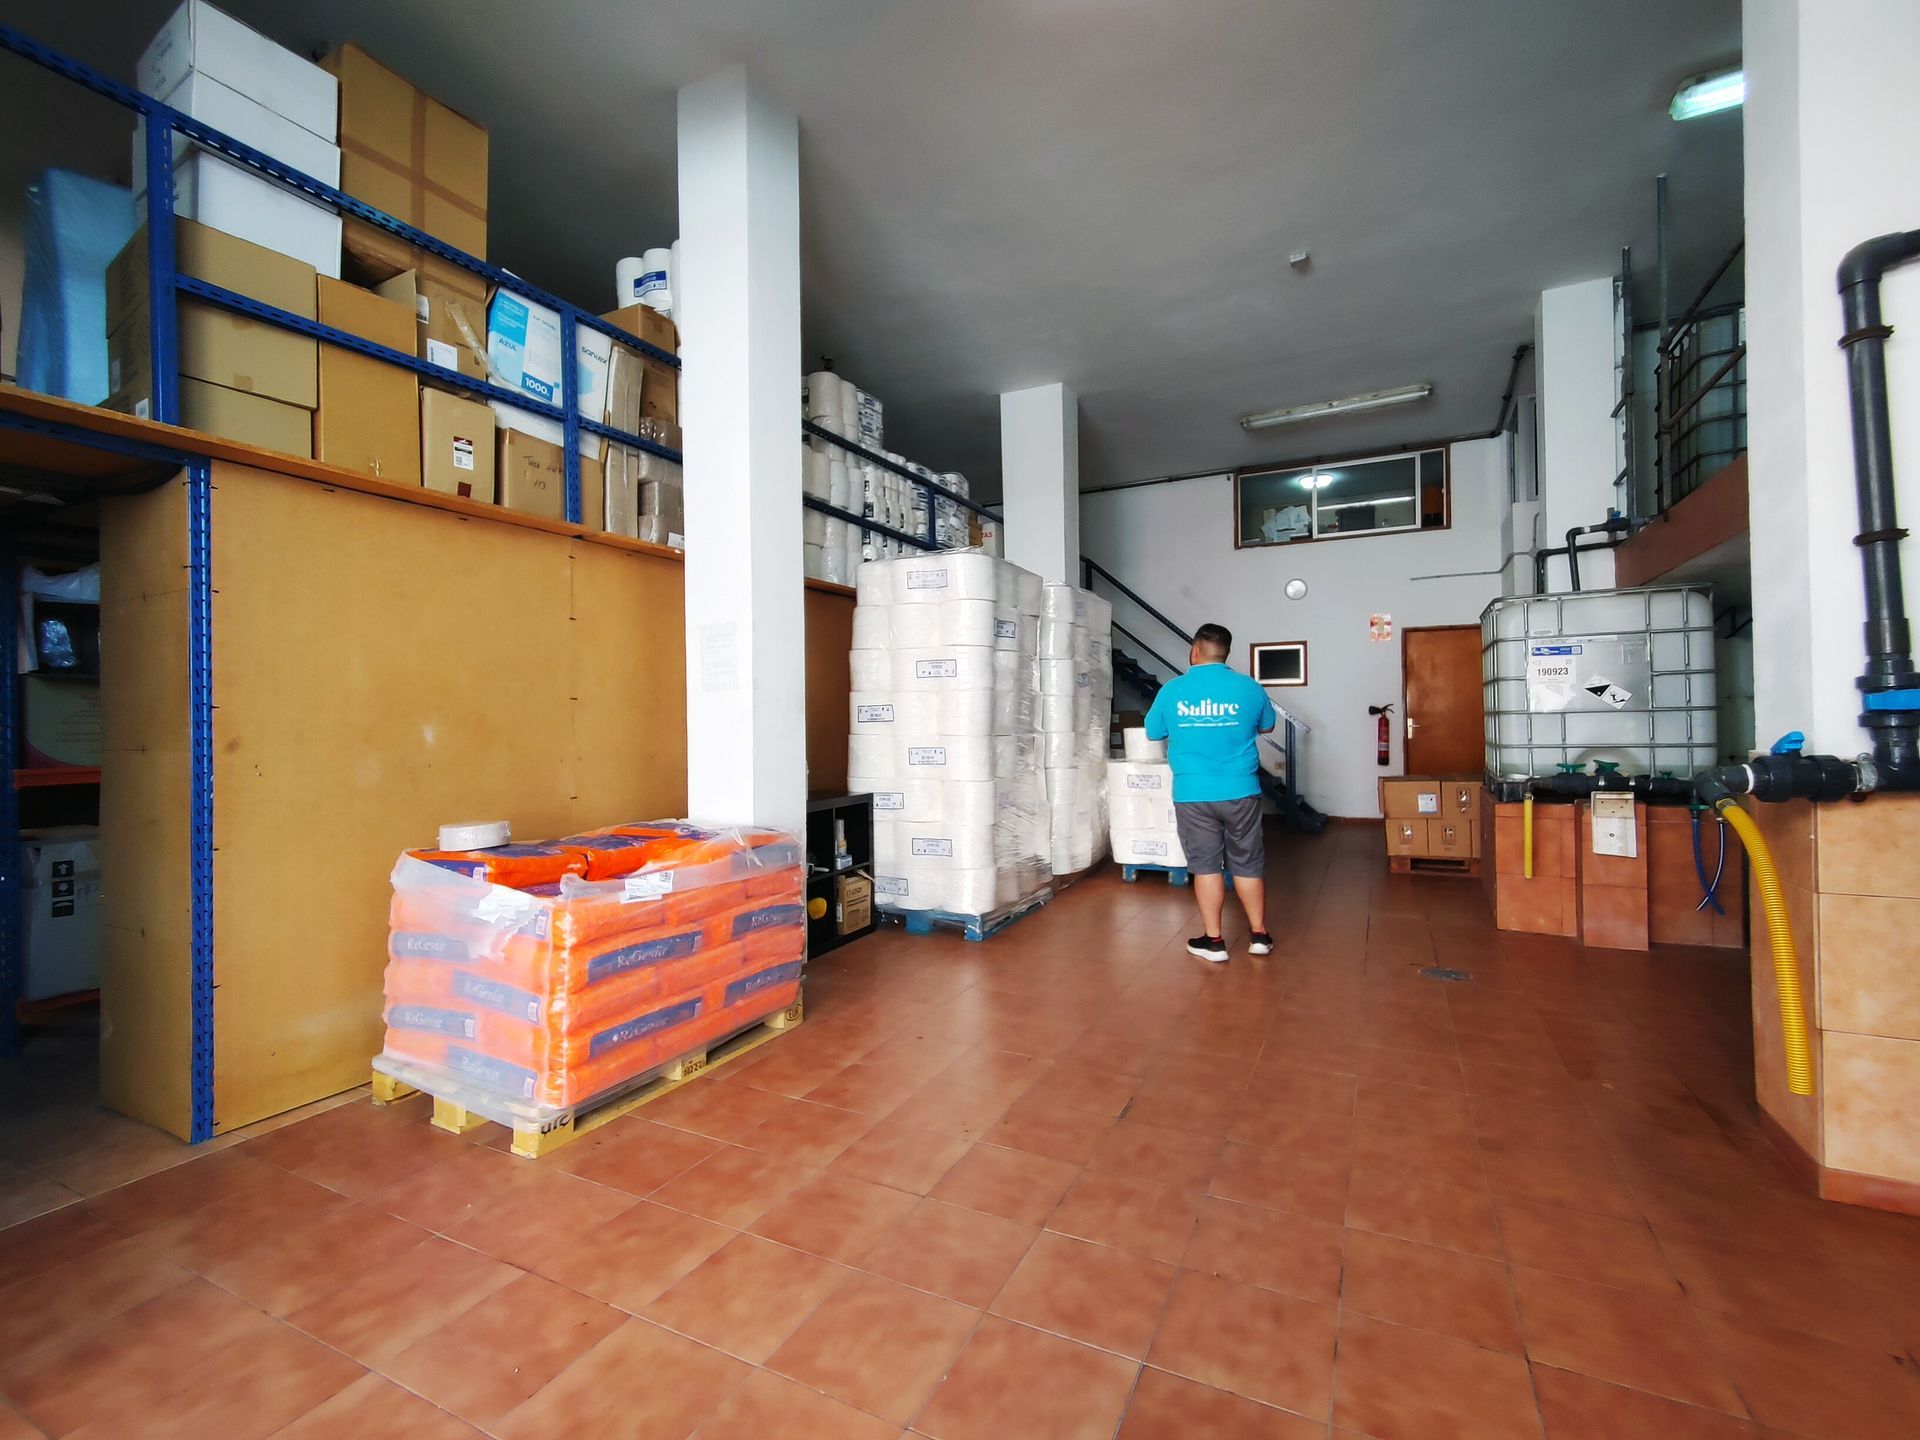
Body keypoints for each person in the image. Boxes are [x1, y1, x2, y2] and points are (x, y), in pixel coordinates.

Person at [1142, 622, 1276, 962]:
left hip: (1193, 793)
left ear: (1194, 650)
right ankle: (1259, 936)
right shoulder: (1249, 688)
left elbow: (1153, 732)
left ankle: (1214, 942)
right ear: (1226, 653)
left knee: (1206, 866)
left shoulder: (1173, 690)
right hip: (1240, 791)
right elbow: (1268, 725)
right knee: (1247, 863)